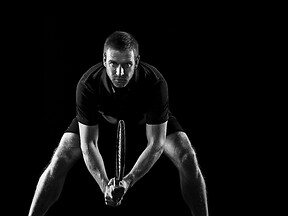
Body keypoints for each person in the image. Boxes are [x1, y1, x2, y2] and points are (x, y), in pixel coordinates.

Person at [28, 31, 209, 216]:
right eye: (113, 64)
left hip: (145, 123)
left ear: (136, 62)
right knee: (60, 157)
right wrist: (105, 186)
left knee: (187, 156)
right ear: (105, 60)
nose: (120, 72)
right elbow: (88, 143)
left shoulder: (155, 82)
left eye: (127, 65)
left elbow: (156, 143)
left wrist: (128, 181)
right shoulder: (88, 84)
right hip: (102, 122)